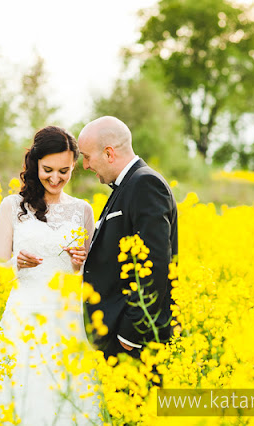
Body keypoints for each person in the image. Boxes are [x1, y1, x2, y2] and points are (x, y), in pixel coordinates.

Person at [0, 126, 101, 425]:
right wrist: (16, 264)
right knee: (23, 398)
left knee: (67, 398)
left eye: (65, 171)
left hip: (68, 319)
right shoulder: (12, 206)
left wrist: (80, 263)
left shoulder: (82, 210)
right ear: (34, 165)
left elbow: (84, 273)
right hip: (23, 318)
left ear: (75, 166)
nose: (55, 178)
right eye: (48, 169)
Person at [78, 116, 178, 360]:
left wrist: (130, 334)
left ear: (109, 153)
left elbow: (153, 264)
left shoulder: (145, 184)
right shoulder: (125, 186)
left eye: (87, 156)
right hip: (115, 336)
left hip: (135, 342)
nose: (85, 165)